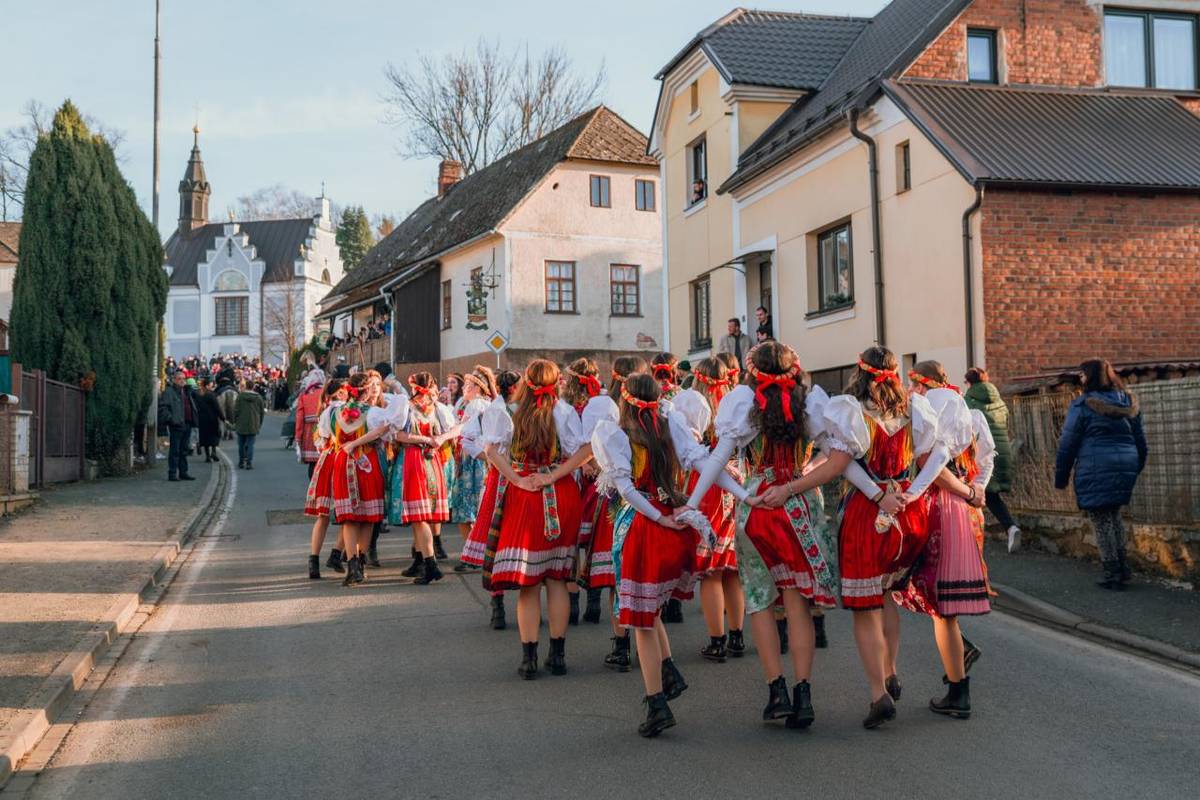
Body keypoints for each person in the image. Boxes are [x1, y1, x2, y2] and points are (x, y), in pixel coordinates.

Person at [791, 346, 949, 729]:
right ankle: (891, 670)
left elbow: (843, 467)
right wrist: (912, 492)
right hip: (907, 514)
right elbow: (939, 454)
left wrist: (880, 495)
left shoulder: (852, 409)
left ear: (860, 373)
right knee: (885, 593)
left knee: (865, 607)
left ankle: (879, 692)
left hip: (870, 513)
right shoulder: (914, 409)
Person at [685, 342, 837, 729]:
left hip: (757, 506)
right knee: (797, 601)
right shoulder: (810, 402)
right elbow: (839, 454)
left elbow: (717, 460)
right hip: (802, 503)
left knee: (759, 601)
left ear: (753, 371)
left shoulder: (742, 405)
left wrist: (701, 502)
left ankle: (777, 692)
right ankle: (804, 694)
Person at [593, 373, 712, 737]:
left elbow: (626, 489)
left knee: (641, 620)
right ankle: (669, 669)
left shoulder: (617, 434)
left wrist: (658, 515)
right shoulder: (668, 427)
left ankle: (656, 701)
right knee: (652, 608)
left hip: (645, 527)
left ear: (623, 399)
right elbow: (698, 461)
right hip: (670, 522)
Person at [481, 359, 591, 679]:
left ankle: (529, 659)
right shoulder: (565, 412)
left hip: (525, 494)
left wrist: (517, 479)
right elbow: (585, 451)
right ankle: (557, 656)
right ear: (556, 383)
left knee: (529, 584)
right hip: (560, 494)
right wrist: (553, 474)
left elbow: (490, 450)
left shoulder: (510, 412)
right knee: (557, 578)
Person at [899, 362, 994, 720]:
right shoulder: (970, 413)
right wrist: (977, 489)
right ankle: (960, 658)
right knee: (938, 596)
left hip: (939, 507)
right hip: (966, 512)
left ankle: (958, 689)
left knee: (937, 601)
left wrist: (968, 491)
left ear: (919, 384)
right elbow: (987, 458)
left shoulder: (928, 410)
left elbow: (936, 470)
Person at [1055, 358, 1148, 590]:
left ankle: (1112, 573)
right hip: (1126, 465)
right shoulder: (1128, 402)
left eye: (1083, 374)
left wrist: (1061, 476)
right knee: (1114, 516)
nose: (1081, 379)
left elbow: (1068, 444)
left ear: (1092, 377)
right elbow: (1141, 440)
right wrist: (1136, 467)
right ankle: (1123, 567)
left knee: (1101, 519)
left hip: (1096, 467)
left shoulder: (1083, 405)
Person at [579, 355, 648, 671]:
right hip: (649, 499)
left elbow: (585, 447)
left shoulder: (604, 409)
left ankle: (622, 644)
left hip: (620, 499)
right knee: (643, 573)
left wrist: (594, 466)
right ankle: (648, 643)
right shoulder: (661, 412)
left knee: (617, 575)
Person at [675, 358, 745, 662]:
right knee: (731, 567)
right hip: (736, 478)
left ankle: (717, 640)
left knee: (711, 570)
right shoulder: (734, 404)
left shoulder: (695, 403)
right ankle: (737, 636)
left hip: (707, 481)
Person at [457, 370, 522, 630]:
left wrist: (494, 460)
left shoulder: (508, 410)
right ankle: (501, 602)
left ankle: (502, 602)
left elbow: (470, 442)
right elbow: (470, 442)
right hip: (509, 477)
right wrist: (494, 460)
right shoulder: (493, 411)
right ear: (516, 388)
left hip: (507, 475)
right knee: (510, 536)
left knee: (508, 538)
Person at [393, 372, 455, 585]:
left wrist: (425, 439)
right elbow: (454, 430)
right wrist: (437, 440)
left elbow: (400, 435)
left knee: (419, 517)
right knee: (424, 515)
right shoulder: (438, 407)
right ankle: (421, 561)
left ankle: (431, 564)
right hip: (433, 460)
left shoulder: (407, 407)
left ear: (414, 387)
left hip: (415, 460)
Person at [964, 367, 1021, 552]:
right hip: (1003, 452)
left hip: (980, 454)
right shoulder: (1000, 403)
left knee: (971, 493)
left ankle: (970, 538)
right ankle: (1011, 527)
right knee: (991, 495)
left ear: (969, 383)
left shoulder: (967, 402)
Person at [305, 378, 348, 579]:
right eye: (345, 390)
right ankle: (336, 553)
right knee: (349, 515)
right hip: (341, 458)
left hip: (327, 458)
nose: (347, 393)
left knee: (323, 516)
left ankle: (314, 560)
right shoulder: (343, 410)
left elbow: (320, 438)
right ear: (338, 393)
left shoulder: (325, 412)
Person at [158, 371, 198, 481]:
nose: (182, 381)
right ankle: (172, 473)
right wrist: (172, 419)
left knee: (184, 450)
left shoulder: (186, 391)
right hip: (176, 425)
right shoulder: (169, 392)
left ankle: (183, 472)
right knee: (175, 450)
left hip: (187, 423)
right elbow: (163, 408)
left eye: (183, 379)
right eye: (180, 379)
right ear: (174, 380)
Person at [294, 370, 326, 477]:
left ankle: (313, 488)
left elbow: (299, 418)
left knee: (313, 463)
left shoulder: (304, 395)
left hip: (309, 431)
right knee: (325, 460)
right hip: (325, 429)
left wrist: (298, 437)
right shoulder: (326, 393)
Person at [233, 379, 266, 470]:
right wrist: (259, 423)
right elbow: (261, 412)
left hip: (241, 423)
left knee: (241, 444)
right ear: (253, 387)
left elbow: (236, 410)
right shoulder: (259, 398)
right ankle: (249, 463)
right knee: (251, 444)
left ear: (246, 386)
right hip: (253, 423)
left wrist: (234, 420)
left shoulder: (240, 396)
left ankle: (241, 462)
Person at [194, 378, 223, 463]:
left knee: (205, 437)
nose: (212, 386)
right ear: (207, 385)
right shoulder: (211, 395)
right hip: (212, 418)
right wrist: (222, 417)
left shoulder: (198, 395)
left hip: (202, 419)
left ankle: (207, 456)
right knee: (214, 436)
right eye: (211, 384)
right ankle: (213, 452)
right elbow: (217, 408)